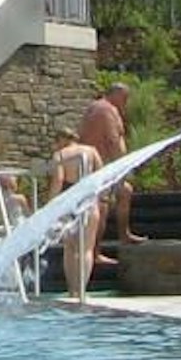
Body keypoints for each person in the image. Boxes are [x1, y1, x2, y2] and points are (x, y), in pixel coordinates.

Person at [79, 83, 147, 249]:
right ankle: (94, 252)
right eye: (124, 97)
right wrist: (122, 167)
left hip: (95, 166)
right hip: (102, 167)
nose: (126, 102)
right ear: (115, 94)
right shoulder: (107, 109)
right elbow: (112, 140)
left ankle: (124, 235)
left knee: (125, 192)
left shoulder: (94, 108)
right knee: (102, 207)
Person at [48, 128, 106, 303]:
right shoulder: (91, 151)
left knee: (70, 248)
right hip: (88, 201)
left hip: (69, 202)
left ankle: (72, 289)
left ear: (61, 140)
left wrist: (51, 205)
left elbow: (58, 180)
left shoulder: (60, 155)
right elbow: (102, 175)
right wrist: (103, 198)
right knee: (86, 248)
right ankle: (82, 289)